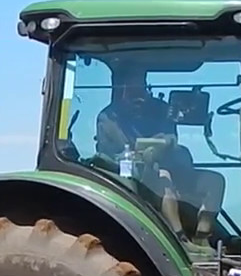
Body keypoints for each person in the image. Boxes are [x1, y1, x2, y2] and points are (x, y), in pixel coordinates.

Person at [94, 63, 224, 245]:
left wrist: (159, 147)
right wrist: (140, 156)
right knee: (164, 178)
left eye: (140, 85)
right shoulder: (108, 118)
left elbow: (171, 137)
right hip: (138, 178)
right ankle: (180, 239)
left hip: (175, 168)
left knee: (215, 181)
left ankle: (202, 238)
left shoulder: (161, 109)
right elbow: (108, 155)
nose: (137, 92)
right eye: (131, 87)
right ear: (121, 87)